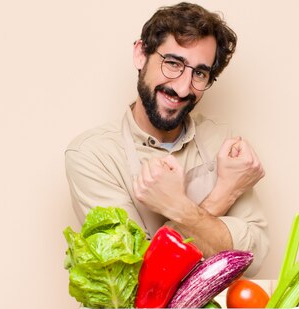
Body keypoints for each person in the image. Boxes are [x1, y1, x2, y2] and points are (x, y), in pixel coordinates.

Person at [65, 2, 269, 275]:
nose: (183, 88)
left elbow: (252, 256)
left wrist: (177, 208)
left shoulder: (224, 142)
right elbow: (139, 277)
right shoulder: (92, 155)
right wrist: (223, 193)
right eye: (173, 63)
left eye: (199, 73)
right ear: (141, 54)